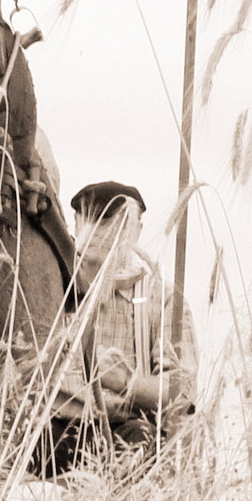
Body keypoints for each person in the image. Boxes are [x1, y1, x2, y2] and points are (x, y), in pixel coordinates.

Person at [45, 181, 197, 474]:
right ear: (78, 224)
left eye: (121, 223)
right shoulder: (50, 288)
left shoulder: (162, 299)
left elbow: (182, 392)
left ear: (137, 230)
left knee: (139, 441)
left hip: (122, 432)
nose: (110, 233)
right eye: (100, 220)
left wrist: (127, 383)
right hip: (49, 429)